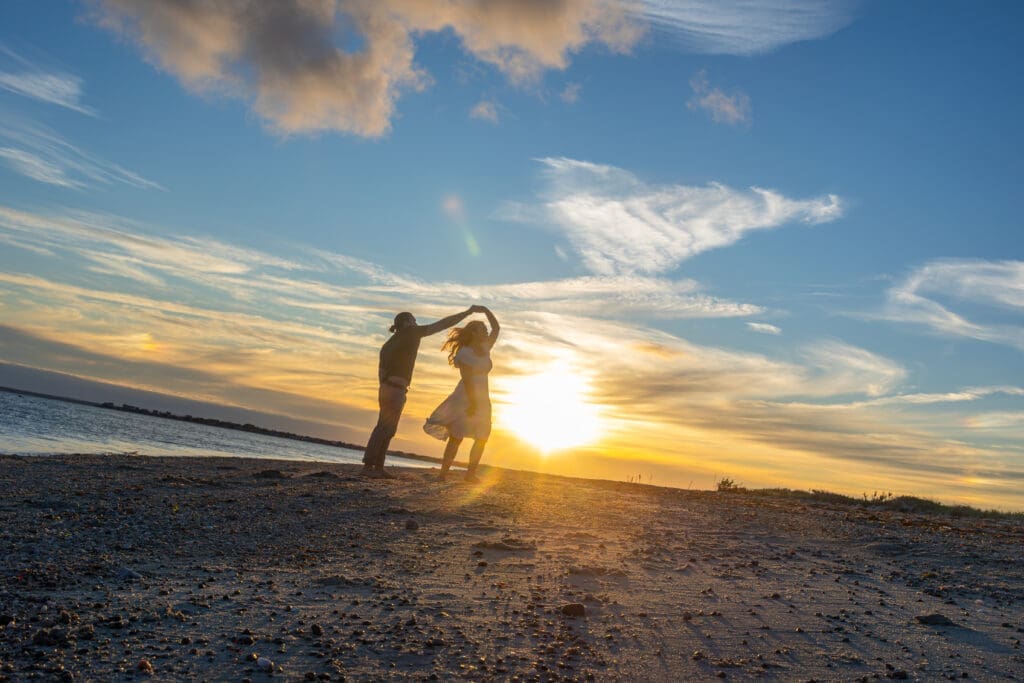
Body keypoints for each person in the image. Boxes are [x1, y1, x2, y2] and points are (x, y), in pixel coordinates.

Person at [362, 305, 483, 478]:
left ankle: (378, 467)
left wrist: (387, 387)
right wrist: (467, 313)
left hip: (386, 388)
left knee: (388, 428)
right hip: (396, 389)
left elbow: (381, 371)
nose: (416, 323)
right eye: (413, 320)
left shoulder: (388, 344)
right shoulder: (411, 333)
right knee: (384, 427)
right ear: (406, 322)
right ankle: (368, 466)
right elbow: (442, 324)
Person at [423, 306, 500, 482]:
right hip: (465, 397)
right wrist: (472, 403)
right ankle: (442, 474)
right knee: (456, 437)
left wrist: (486, 311)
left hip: (483, 398)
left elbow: (496, 328)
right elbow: (466, 380)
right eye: (483, 329)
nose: (486, 331)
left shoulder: (485, 347)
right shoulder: (465, 352)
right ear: (473, 333)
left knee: (482, 437)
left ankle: (470, 474)